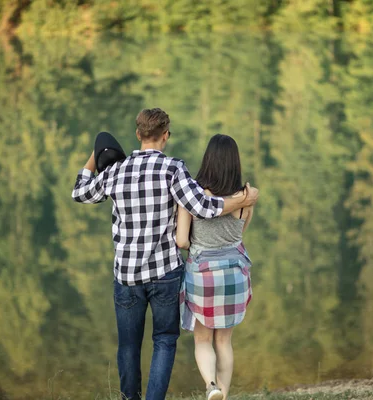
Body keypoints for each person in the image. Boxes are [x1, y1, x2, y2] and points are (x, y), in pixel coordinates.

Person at [71, 109, 259, 400]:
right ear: (166, 135)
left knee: (128, 345)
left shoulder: (116, 170)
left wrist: (97, 155)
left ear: (137, 135)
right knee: (164, 341)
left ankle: (129, 398)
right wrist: (243, 198)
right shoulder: (173, 169)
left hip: (127, 275)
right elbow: (204, 208)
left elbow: (80, 192)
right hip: (164, 273)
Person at [176, 134, 254, 400]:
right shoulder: (245, 197)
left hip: (203, 274)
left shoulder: (192, 196)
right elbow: (240, 235)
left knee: (202, 339)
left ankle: (211, 386)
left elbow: (182, 240)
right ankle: (225, 395)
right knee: (224, 341)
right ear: (235, 161)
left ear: (208, 159)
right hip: (235, 274)